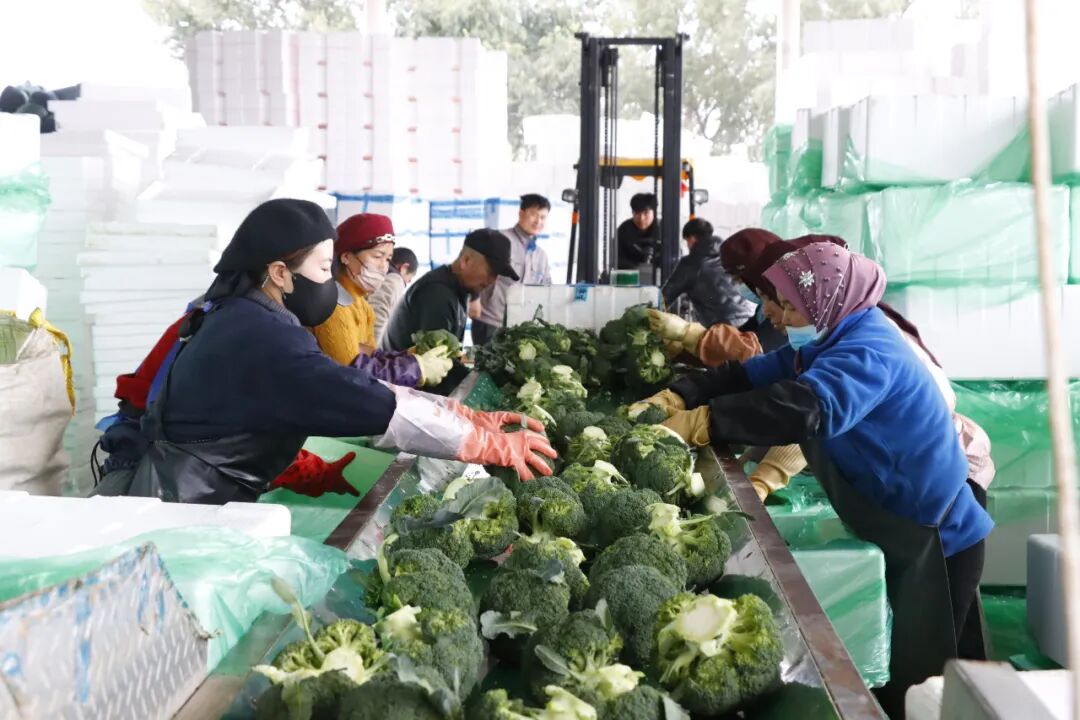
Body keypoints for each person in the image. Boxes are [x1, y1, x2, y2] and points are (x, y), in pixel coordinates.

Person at [653, 242, 992, 717]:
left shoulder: (869, 349)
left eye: (790, 306)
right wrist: (681, 393)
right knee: (919, 676)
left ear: (827, 301)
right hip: (903, 524)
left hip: (938, 539)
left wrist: (706, 421)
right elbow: (751, 374)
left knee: (929, 681)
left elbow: (806, 408)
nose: (779, 317)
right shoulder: (828, 339)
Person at [100, 199, 554, 504]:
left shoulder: (235, 311)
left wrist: (461, 415)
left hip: (179, 487)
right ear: (280, 272)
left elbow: (233, 414)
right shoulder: (260, 335)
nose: (329, 280)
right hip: (167, 504)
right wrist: (481, 443)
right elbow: (362, 398)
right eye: (322, 267)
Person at [311, 214, 451, 388]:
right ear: (346, 256)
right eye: (377, 256)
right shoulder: (334, 304)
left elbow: (366, 353)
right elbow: (351, 373)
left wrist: (407, 356)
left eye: (387, 259)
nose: (384, 266)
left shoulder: (361, 304)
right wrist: (416, 368)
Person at [382, 228, 516, 353]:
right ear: (466, 260)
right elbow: (437, 364)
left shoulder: (459, 288)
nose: (493, 280)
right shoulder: (437, 294)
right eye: (491, 272)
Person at [471, 194, 553, 346]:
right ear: (521, 213)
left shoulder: (541, 256)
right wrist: (473, 298)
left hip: (520, 327)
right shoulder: (500, 239)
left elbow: (546, 290)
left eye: (543, 217)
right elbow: (474, 269)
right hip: (491, 321)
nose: (538, 221)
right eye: (534, 214)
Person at [661, 218, 754, 329]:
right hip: (750, 317)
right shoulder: (729, 254)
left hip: (723, 328)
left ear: (692, 238)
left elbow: (665, 297)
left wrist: (647, 312)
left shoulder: (691, 263)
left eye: (686, 241)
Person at [370, 246, 419, 346]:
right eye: (410, 277)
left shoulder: (379, 276)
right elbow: (377, 313)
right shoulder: (394, 280)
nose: (409, 282)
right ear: (404, 268)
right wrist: (374, 353)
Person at [616, 192, 660, 271]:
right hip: (630, 276)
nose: (641, 218)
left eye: (646, 213)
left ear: (654, 213)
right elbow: (616, 259)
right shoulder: (624, 230)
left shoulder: (664, 229)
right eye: (637, 213)